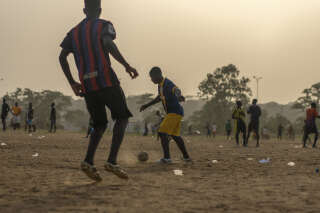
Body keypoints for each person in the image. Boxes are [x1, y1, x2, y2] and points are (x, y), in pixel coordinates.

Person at [59, 0, 138, 181]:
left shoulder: (73, 32)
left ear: (84, 10)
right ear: (100, 10)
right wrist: (126, 65)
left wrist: (72, 81)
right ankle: (111, 160)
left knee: (99, 124)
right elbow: (108, 43)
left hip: (87, 85)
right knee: (122, 117)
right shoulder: (104, 25)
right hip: (106, 80)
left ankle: (88, 161)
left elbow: (62, 56)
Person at [140, 67, 191, 164]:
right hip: (174, 113)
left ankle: (167, 158)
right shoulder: (160, 85)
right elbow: (159, 97)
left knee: (162, 132)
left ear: (158, 75)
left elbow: (176, 89)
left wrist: (179, 96)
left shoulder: (167, 83)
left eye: (152, 77)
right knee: (175, 135)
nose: (151, 80)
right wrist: (147, 105)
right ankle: (186, 157)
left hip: (174, 112)